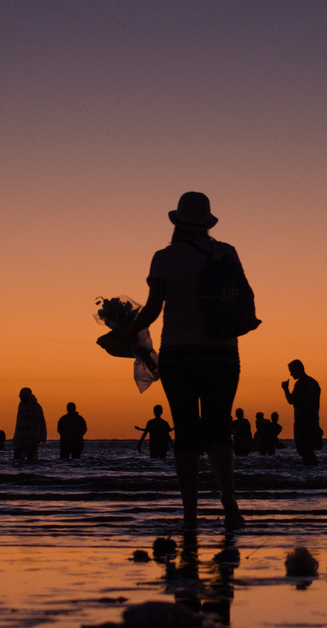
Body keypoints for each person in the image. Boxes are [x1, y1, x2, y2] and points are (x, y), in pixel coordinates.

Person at [115, 191, 247, 529]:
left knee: (186, 431)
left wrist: (128, 331)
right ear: (206, 223)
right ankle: (229, 502)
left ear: (178, 222)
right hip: (222, 353)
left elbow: (154, 308)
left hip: (179, 353)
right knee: (219, 426)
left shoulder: (164, 257)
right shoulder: (225, 252)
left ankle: (190, 514)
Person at [283, 359, 322, 465]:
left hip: (302, 421)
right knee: (310, 449)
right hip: (313, 420)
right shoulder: (314, 383)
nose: (291, 374)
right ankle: (312, 473)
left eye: (292, 371)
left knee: (305, 450)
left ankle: (308, 473)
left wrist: (285, 389)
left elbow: (291, 400)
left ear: (298, 369)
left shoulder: (301, 384)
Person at [12, 387, 47, 461]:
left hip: (32, 436)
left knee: (31, 458)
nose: (19, 396)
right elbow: (18, 422)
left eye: (21, 395)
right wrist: (15, 436)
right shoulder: (21, 405)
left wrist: (42, 436)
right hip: (20, 436)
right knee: (17, 459)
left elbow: (41, 421)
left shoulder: (36, 406)